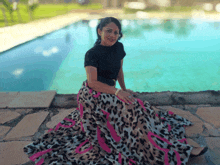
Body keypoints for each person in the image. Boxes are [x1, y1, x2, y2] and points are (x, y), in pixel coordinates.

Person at [23, 17, 208, 165]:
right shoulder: (92, 54)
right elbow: (92, 83)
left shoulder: (119, 47)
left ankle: (164, 143)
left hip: (111, 91)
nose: (112, 35)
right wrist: (118, 93)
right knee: (130, 116)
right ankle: (173, 151)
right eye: (109, 31)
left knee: (143, 110)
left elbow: (119, 70)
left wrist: (125, 89)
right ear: (99, 31)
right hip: (93, 95)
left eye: (116, 32)